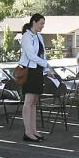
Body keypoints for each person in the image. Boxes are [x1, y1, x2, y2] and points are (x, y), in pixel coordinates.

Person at [18, 13, 54, 143]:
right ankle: (27, 132)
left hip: (38, 70)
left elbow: (42, 55)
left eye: (43, 24)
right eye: (41, 23)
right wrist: (46, 65)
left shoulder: (39, 36)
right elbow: (31, 55)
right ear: (34, 22)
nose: (42, 26)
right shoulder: (26, 36)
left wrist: (46, 69)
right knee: (28, 103)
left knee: (34, 102)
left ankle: (33, 130)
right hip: (30, 71)